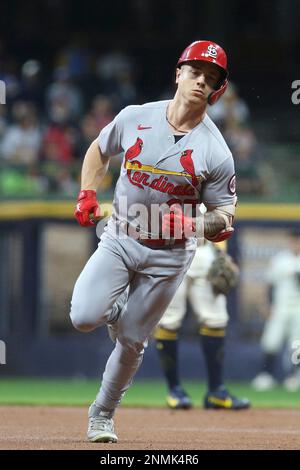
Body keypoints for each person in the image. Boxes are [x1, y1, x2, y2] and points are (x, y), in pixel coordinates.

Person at [70, 40, 237, 443]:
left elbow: (225, 218)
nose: (201, 80)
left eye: (211, 77)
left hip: (170, 256)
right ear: (178, 73)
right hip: (122, 237)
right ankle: (118, 306)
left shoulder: (216, 151)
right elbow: (98, 149)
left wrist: (195, 227)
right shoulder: (135, 117)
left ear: (217, 91)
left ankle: (102, 415)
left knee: (131, 339)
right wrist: (87, 193)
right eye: (195, 71)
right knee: (83, 317)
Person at [155, 241, 250, 410]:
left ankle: (216, 391)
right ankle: (174, 390)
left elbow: (219, 217)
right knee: (169, 320)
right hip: (169, 249)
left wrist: (221, 253)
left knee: (216, 320)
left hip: (205, 249)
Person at [252, 230, 300, 392]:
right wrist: (266, 305)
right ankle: (267, 375)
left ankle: (294, 376)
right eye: (294, 240)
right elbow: (269, 284)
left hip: (299, 308)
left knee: (297, 344)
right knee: (271, 341)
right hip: (281, 306)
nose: (296, 244)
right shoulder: (281, 259)